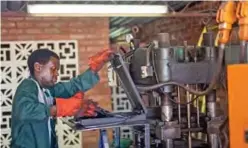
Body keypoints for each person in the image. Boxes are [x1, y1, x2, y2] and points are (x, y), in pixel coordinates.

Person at [11, 48, 113, 148]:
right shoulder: (28, 86)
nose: (57, 74)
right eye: (53, 69)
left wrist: (94, 68)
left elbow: (71, 87)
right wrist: (62, 108)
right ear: (38, 67)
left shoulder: (47, 90)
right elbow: (25, 111)